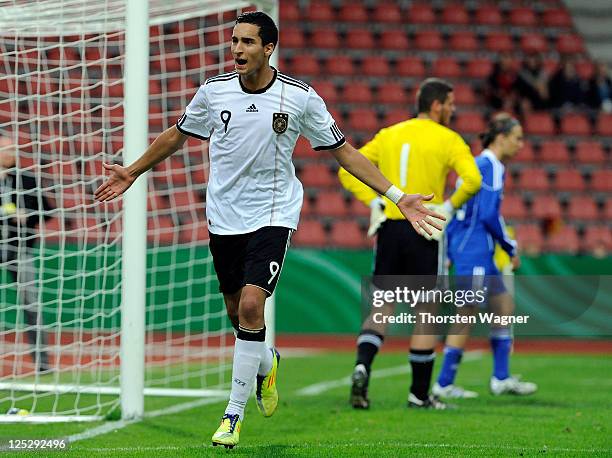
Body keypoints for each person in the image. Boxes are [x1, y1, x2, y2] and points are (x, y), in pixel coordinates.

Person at [94, 11, 445, 449]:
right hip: (224, 217)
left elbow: (346, 153)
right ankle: (265, 364)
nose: (237, 49)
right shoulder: (214, 91)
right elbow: (176, 135)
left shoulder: (299, 98)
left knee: (250, 306)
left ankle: (232, 415)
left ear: (268, 48)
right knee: (239, 317)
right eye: (234, 41)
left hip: (273, 215)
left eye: (246, 42)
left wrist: (397, 195)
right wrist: (132, 171)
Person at [338, 78, 482, 410]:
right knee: (426, 312)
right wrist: (447, 207)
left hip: (390, 227)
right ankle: (418, 394)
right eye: (450, 103)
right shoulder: (448, 138)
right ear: (436, 105)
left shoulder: (389, 134)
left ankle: (362, 366)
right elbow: (473, 179)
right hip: (424, 227)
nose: (453, 109)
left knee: (382, 307)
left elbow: (348, 171)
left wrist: (374, 202)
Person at [432, 114, 537, 399]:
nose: (521, 144)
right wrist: (509, 246)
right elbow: (489, 215)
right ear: (500, 137)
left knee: (503, 305)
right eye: (517, 137)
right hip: (475, 250)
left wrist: (451, 248)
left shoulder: (479, 165)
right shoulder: (491, 166)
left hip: (476, 249)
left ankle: (501, 378)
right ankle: (443, 384)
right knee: (465, 315)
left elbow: (460, 211)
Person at [0, 133, 53, 373]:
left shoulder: (26, 180)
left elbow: (48, 211)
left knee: (31, 303)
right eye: (8, 149)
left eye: (14, 148)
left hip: (20, 248)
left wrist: (26, 215)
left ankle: (42, 363)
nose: (13, 153)